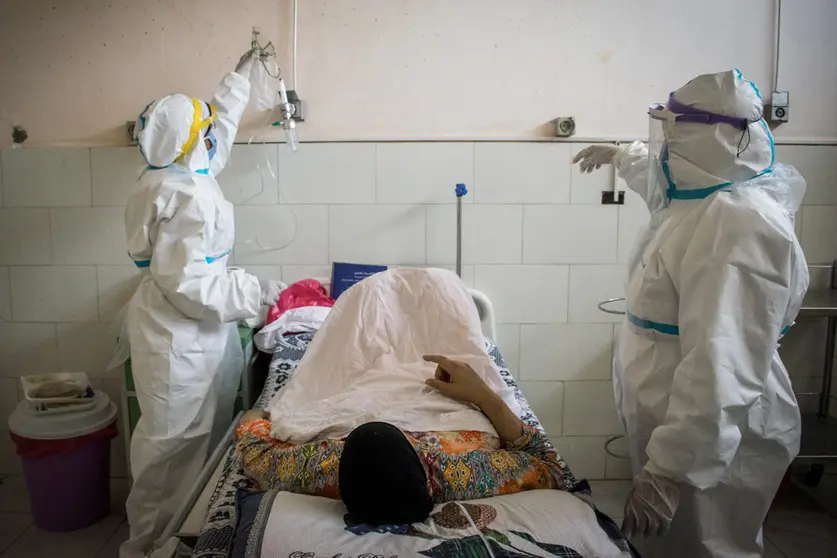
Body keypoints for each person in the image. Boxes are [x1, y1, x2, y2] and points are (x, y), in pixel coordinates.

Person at [572, 69, 808, 557]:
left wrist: (671, 468)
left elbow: (723, 361)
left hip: (710, 435)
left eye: (675, 129)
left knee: (709, 545)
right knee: (675, 545)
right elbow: (662, 188)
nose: (665, 143)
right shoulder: (700, 201)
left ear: (714, 136)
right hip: (679, 418)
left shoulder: (737, 226)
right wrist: (624, 154)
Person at [120, 52, 284, 558]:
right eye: (205, 129)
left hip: (190, 332)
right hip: (179, 336)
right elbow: (190, 286)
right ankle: (150, 547)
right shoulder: (183, 195)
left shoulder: (182, 168)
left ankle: (181, 539)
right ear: (192, 140)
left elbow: (218, 131)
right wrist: (258, 294)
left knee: (195, 446)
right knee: (171, 455)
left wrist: (238, 78)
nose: (214, 135)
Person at [236, 355, 573, 525]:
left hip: (361, 394)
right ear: (428, 470)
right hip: (440, 408)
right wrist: (484, 395)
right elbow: (546, 461)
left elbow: (254, 445)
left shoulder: (315, 468)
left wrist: (258, 414)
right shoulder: (467, 470)